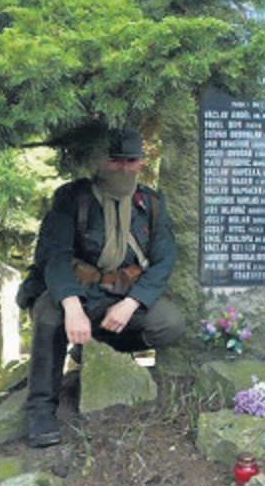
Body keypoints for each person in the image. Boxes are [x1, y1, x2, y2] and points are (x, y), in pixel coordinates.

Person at [24, 129, 186, 447]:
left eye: (131, 161)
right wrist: (72, 308)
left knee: (169, 324)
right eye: (115, 161)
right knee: (48, 317)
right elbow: (54, 257)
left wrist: (132, 303)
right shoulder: (73, 198)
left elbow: (165, 257)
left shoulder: (150, 203)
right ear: (99, 162)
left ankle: (95, 348)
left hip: (122, 295)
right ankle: (41, 409)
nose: (124, 168)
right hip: (77, 291)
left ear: (141, 162)